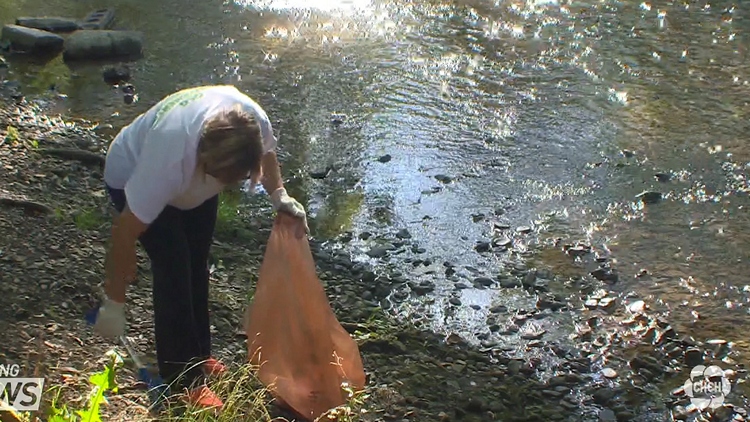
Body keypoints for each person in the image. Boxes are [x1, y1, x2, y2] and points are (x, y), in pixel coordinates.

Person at [92, 85, 308, 409]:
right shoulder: (167, 159)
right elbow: (124, 232)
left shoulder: (251, 121)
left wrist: (279, 196)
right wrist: (114, 301)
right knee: (174, 267)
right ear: (205, 162)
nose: (226, 186)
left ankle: (199, 356)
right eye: (222, 178)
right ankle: (182, 379)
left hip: (190, 181)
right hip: (130, 174)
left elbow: (265, 153)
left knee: (196, 262)